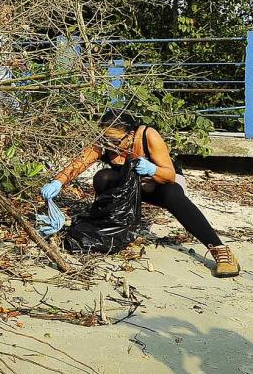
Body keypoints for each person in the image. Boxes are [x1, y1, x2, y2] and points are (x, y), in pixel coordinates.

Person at [41, 110, 240, 277]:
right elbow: (80, 163)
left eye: (115, 141)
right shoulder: (106, 141)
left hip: (161, 183)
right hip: (128, 189)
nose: (110, 145)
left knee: (173, 195)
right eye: (106, 140)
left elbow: (169, 175)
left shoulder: (147, 135)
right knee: (102, 177)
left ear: (130, 134)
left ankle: (220, 250)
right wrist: (58, 182)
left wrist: (152, 170)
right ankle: (116, 233)